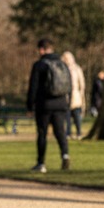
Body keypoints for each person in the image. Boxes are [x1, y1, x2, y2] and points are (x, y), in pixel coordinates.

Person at [27, 37, 70, 172]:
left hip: (44, 105)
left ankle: (41, 163)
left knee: (42, 134)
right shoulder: (62, 64)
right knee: (60, 132)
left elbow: (33, 87)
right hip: (61, 103)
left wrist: (30, 105)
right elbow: (69, 85)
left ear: (41, 50)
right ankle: (65, 155)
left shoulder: (39, 65)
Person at [60, 51, 86, 138]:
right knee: (67, 116)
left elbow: (81, 83)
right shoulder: (62, 69)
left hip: (75, 95)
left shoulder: (77, 69)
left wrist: (81, 93)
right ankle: (68, 132)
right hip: (65, 95)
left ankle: (79, 132)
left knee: (76, 115)